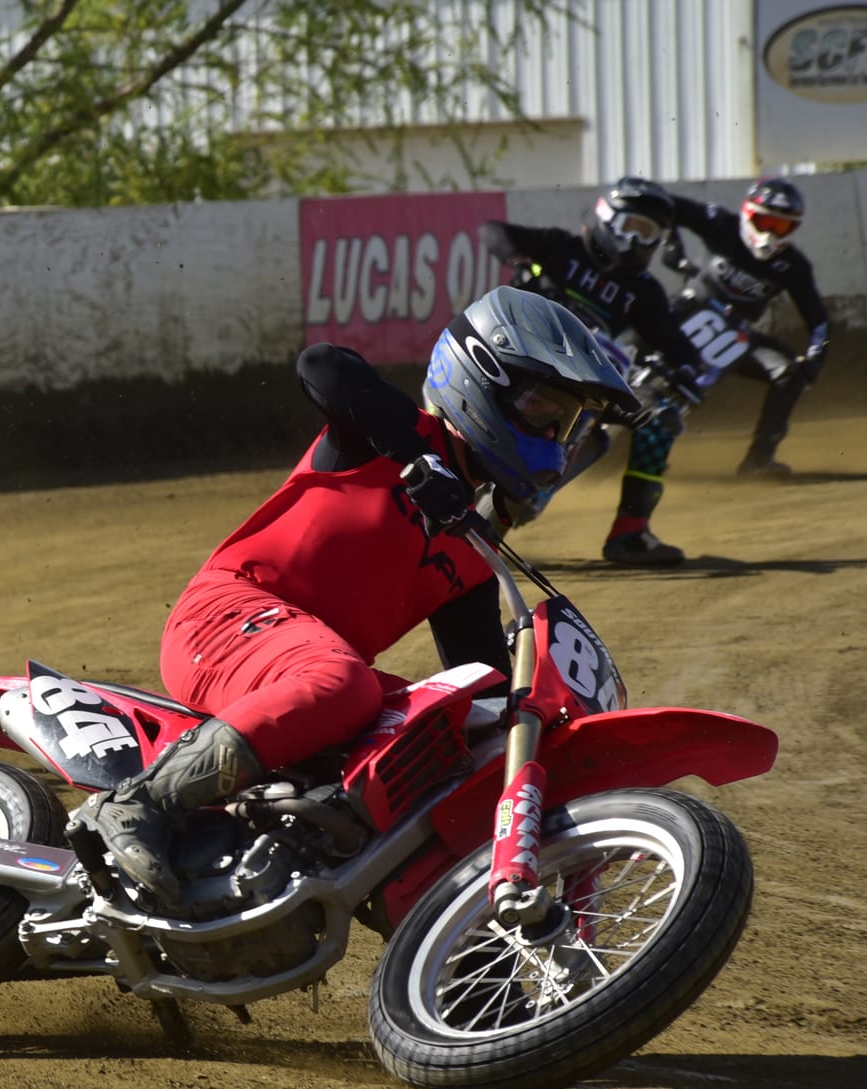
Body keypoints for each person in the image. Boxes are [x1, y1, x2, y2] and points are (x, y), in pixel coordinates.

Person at [70, 286, 636, 906]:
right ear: (480, 379)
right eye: (539, 408)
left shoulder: (472, 554)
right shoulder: (385, 436)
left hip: (302, 670)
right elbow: (324, 363)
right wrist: (420, 458)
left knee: (443, 743)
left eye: (566, 421)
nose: (553, 432)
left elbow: (483, 686)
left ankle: (463, 975)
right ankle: (136, 803)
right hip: (226, 618)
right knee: (346, 683)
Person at [481, 176, 708, 566]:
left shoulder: (645, 291)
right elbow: (492, 231)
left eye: (648, 232)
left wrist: (688, 370)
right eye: (630, 227)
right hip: (519, 357)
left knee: (661, 421)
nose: (637, 241)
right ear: (606, 217)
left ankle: (631, 533)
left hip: (588, 381)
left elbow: (678, 344)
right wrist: (518, 260)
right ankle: (419, 463)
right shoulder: (562, 248)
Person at [660, 176, 829, 479]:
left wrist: (816, 356)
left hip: (736, 337)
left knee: (789, 373)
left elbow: (818, 318)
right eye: (764, 221)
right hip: (686, 313)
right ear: (747, 213)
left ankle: (759, 461)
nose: (769, 233)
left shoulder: (794, 265)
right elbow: (663, 205)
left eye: (781, 227)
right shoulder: (720, 224)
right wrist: (672, 246)